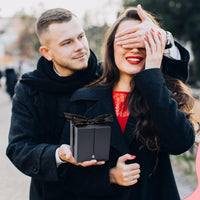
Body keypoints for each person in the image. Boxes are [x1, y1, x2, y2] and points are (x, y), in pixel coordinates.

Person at [6, 5, 193, 200]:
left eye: (81, 36)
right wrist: (60, 154)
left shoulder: (104, 75)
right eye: (67, 42)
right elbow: (19, 148)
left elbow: (167, 78)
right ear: (47, 52)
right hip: (53, 191)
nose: (79, 46)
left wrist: (163, 39)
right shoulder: (30, 89)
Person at [60, 6, 198, 200]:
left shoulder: (159, 94)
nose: (134, 48)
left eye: (142, 41)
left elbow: (179, 143)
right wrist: (110, 176)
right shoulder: (87, 100)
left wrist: (152, 73)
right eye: (126, 40)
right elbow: (74, 175)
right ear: (111, 47)